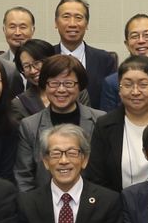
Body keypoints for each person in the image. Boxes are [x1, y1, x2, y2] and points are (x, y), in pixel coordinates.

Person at [16, 53, 102, 191]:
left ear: (79, 87)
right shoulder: (29, 125)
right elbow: (24, 176)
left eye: (68, 83)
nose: (61, 90)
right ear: (45, 86)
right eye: (54, 83)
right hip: (43, 206)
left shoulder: (100, 120)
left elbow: (106, 172)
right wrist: (33, 208)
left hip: (92, 205)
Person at [84, 55, 148, 192]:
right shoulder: (104, 125)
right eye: (127, 85)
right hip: (116, 206)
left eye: (143, 84)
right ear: (119, 89)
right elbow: (96, 177)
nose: (135, 91)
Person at [97, 13, 148, 112]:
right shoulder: (112, 82)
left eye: (147, 35)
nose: (141, 40)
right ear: (127, 44)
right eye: (134, 36)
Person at [52, 0, 117, 101]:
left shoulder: (105, 60)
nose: (72, 24)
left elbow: (111, 100)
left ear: (86, 24)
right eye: (66, 17)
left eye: (78, 17)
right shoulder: (45, 56)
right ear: (56, 23)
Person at [14, 37, 55, 118]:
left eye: (37, 63)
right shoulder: (20, 103)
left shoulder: (76, 91)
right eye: (26, 66)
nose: (33, 71)